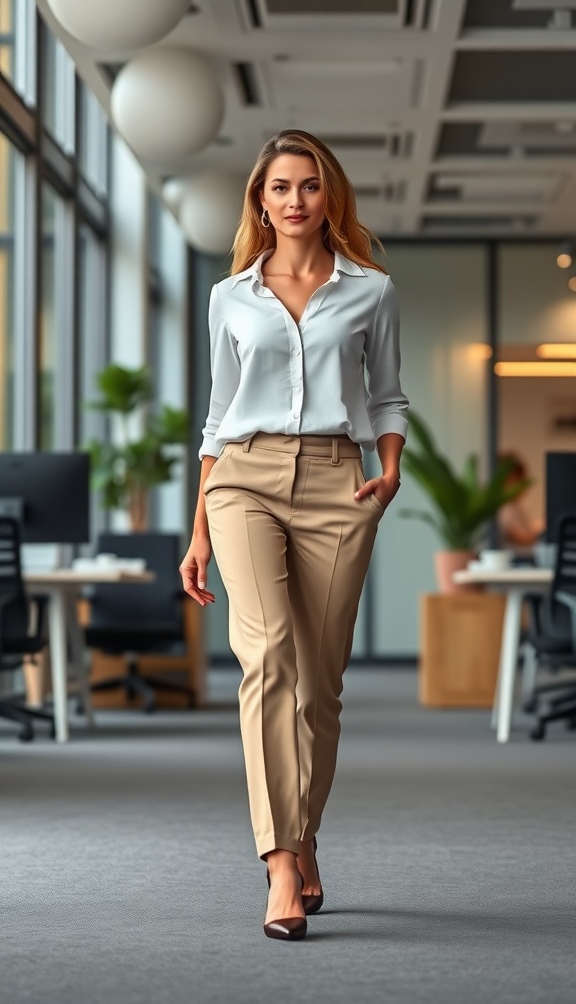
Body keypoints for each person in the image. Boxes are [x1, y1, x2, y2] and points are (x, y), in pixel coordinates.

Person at [179, 130, 409, 941]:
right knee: (268, 654)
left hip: (340, 486)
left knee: (320, 682)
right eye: (280, 187)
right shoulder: (230, 297)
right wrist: (199, 530)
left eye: (310, 186)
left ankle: (306, 834)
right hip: (244, 479)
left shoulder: (370, 292)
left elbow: (387, 398)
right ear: (261, 200)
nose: (296, 200)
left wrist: (389, 471)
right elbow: (216, 421)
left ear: (328, 196)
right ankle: (280, 860)